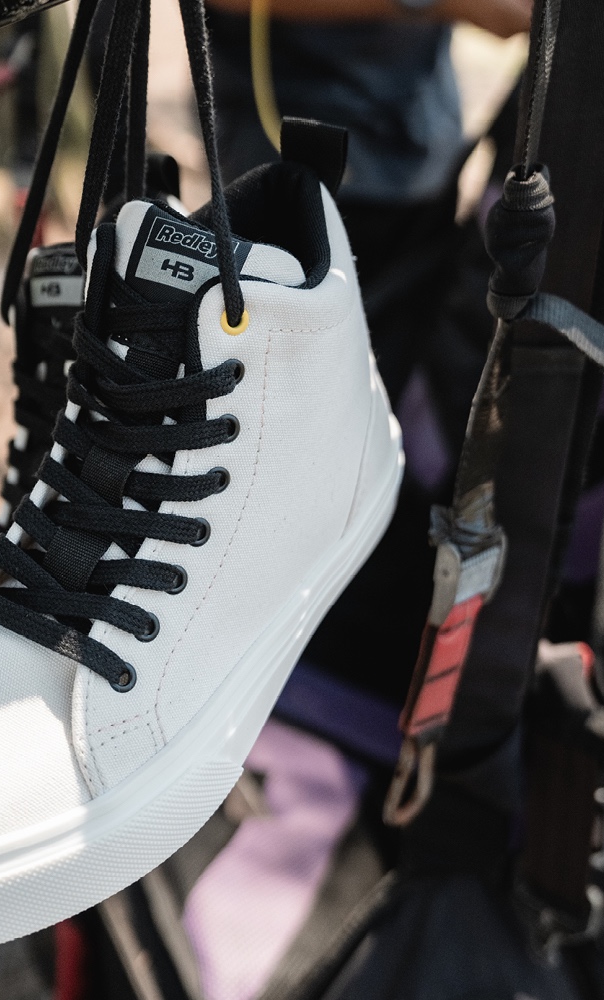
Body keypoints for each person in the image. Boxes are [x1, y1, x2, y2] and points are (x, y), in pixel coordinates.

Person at [205, 0, 531, 704]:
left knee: (383, 454)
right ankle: (278, 703)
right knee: (291, 479)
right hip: (301, 183)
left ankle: (342, 689)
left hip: (413, 170)